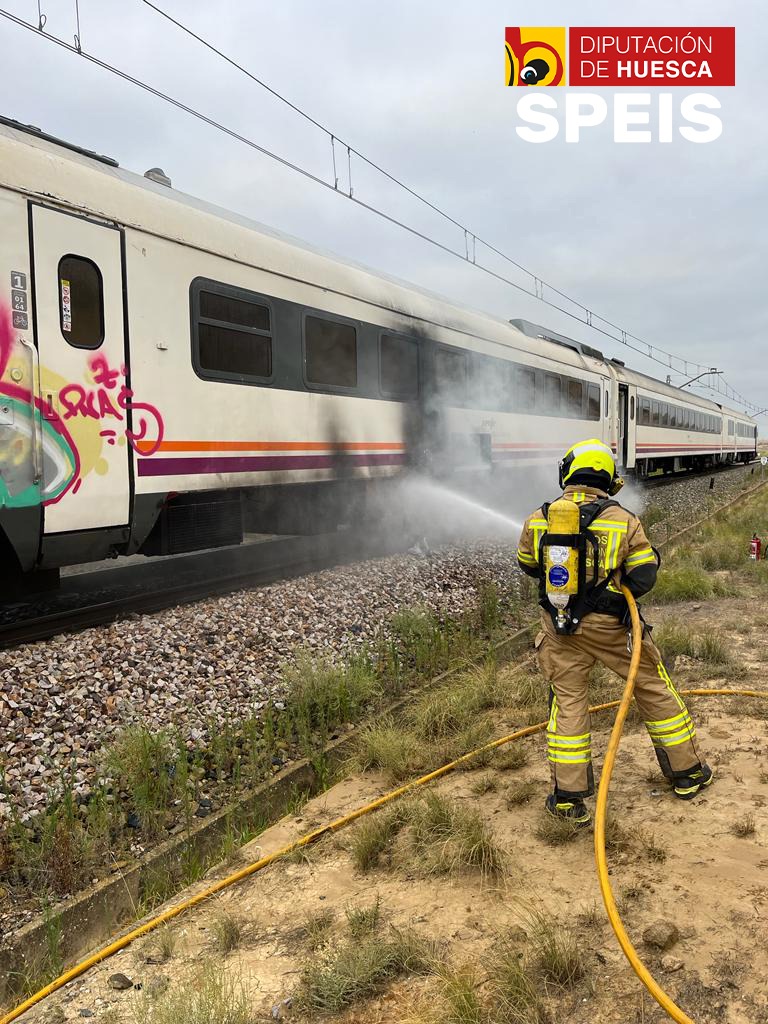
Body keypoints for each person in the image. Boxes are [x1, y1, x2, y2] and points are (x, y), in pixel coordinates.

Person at [516, 438, 713, 826]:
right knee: (652, 687)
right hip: (612, 630)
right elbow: (643, 578)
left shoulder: (539, 518)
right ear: (607, 477)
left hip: (559, 629)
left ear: (568, 472)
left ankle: (568, 798)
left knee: (568, 702)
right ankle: (687, 774)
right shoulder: (622, 519)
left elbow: (527, 565)